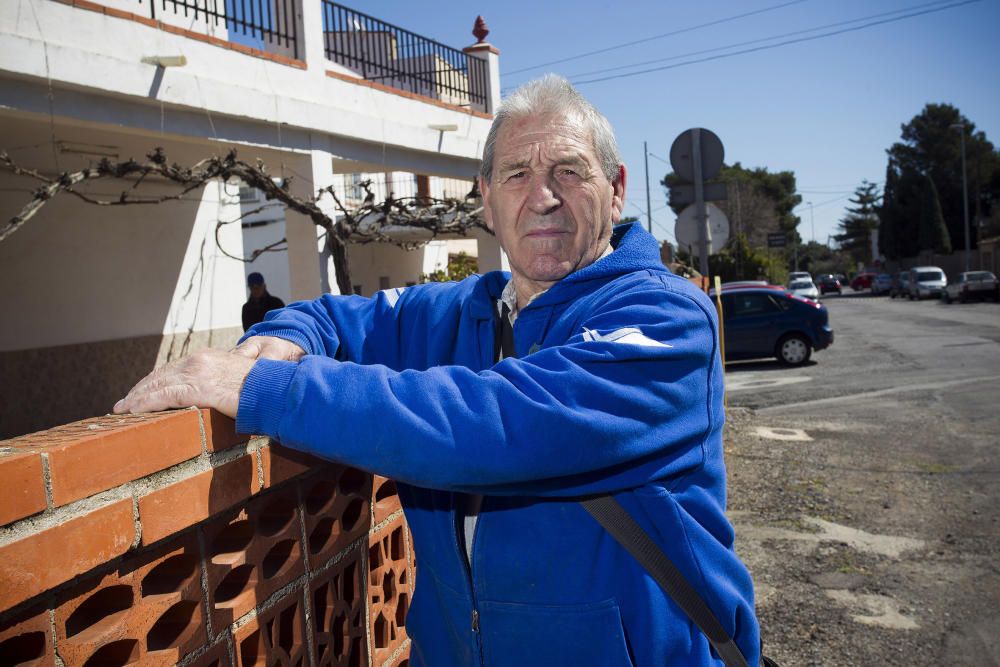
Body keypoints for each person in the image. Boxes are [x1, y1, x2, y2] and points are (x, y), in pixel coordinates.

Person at [116, 74, 760, 666]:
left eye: (569, 171)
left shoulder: (667, 319)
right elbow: (335, 317)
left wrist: (263, 388)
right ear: (485, 198)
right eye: (515, 174)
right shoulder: (461, 311)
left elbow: (494, 425)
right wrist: (285, 335)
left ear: (615, 189)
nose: (542, 197)